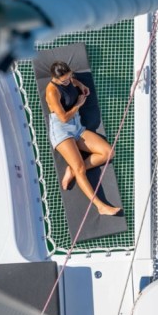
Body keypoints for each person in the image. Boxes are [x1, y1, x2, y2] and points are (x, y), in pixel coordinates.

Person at [45, 61, 121, 216]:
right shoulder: (52, 92)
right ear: (55, 78)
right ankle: (100, 206)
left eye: (69, 77)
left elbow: (72, 81)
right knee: (81, 169)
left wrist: (80, 85)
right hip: (62, 130)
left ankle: (72, 170)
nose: (68, 81)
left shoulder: (68, 79)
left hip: (77, 125)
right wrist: (78, 104)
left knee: (108, 153)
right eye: (64, 80)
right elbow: (63, 118)